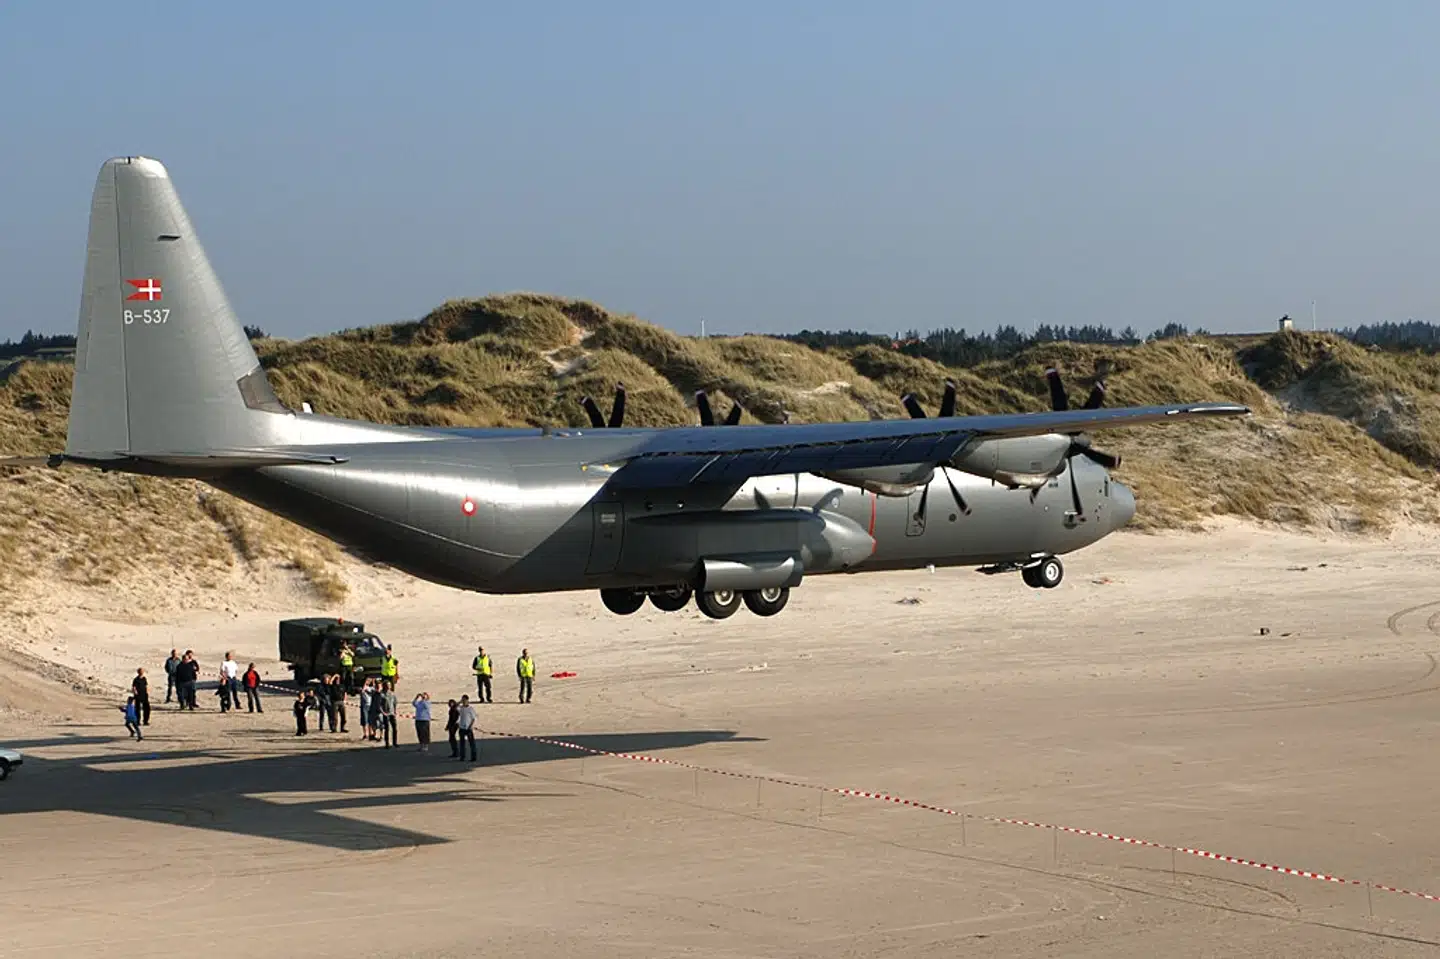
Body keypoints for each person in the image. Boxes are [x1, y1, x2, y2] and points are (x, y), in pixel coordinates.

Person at [455, 695, 477, 762]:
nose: (464, 702)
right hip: (461, 727)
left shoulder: (470, 709)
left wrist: (470, 726)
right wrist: (460, 701)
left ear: (467, 700)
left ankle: (473, 757)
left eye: (465, 700)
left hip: (468, 728)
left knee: (471, 743)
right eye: (463, 700)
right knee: (462, 743)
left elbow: (473, 718)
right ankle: (462, 757)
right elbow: (455, 707)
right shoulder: (461, 708)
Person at [378, 681, 398, 748]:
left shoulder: (392, 694)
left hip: (392, 713)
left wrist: (395, 711)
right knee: (387, 729)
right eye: (387, 685)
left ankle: (395, 742)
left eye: (389, 685)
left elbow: (395, 703)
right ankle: (387, 743)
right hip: (386, 713)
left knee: (395, 728)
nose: (389, 686)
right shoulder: (381, 694)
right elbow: (379, 705)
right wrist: (383, 712)